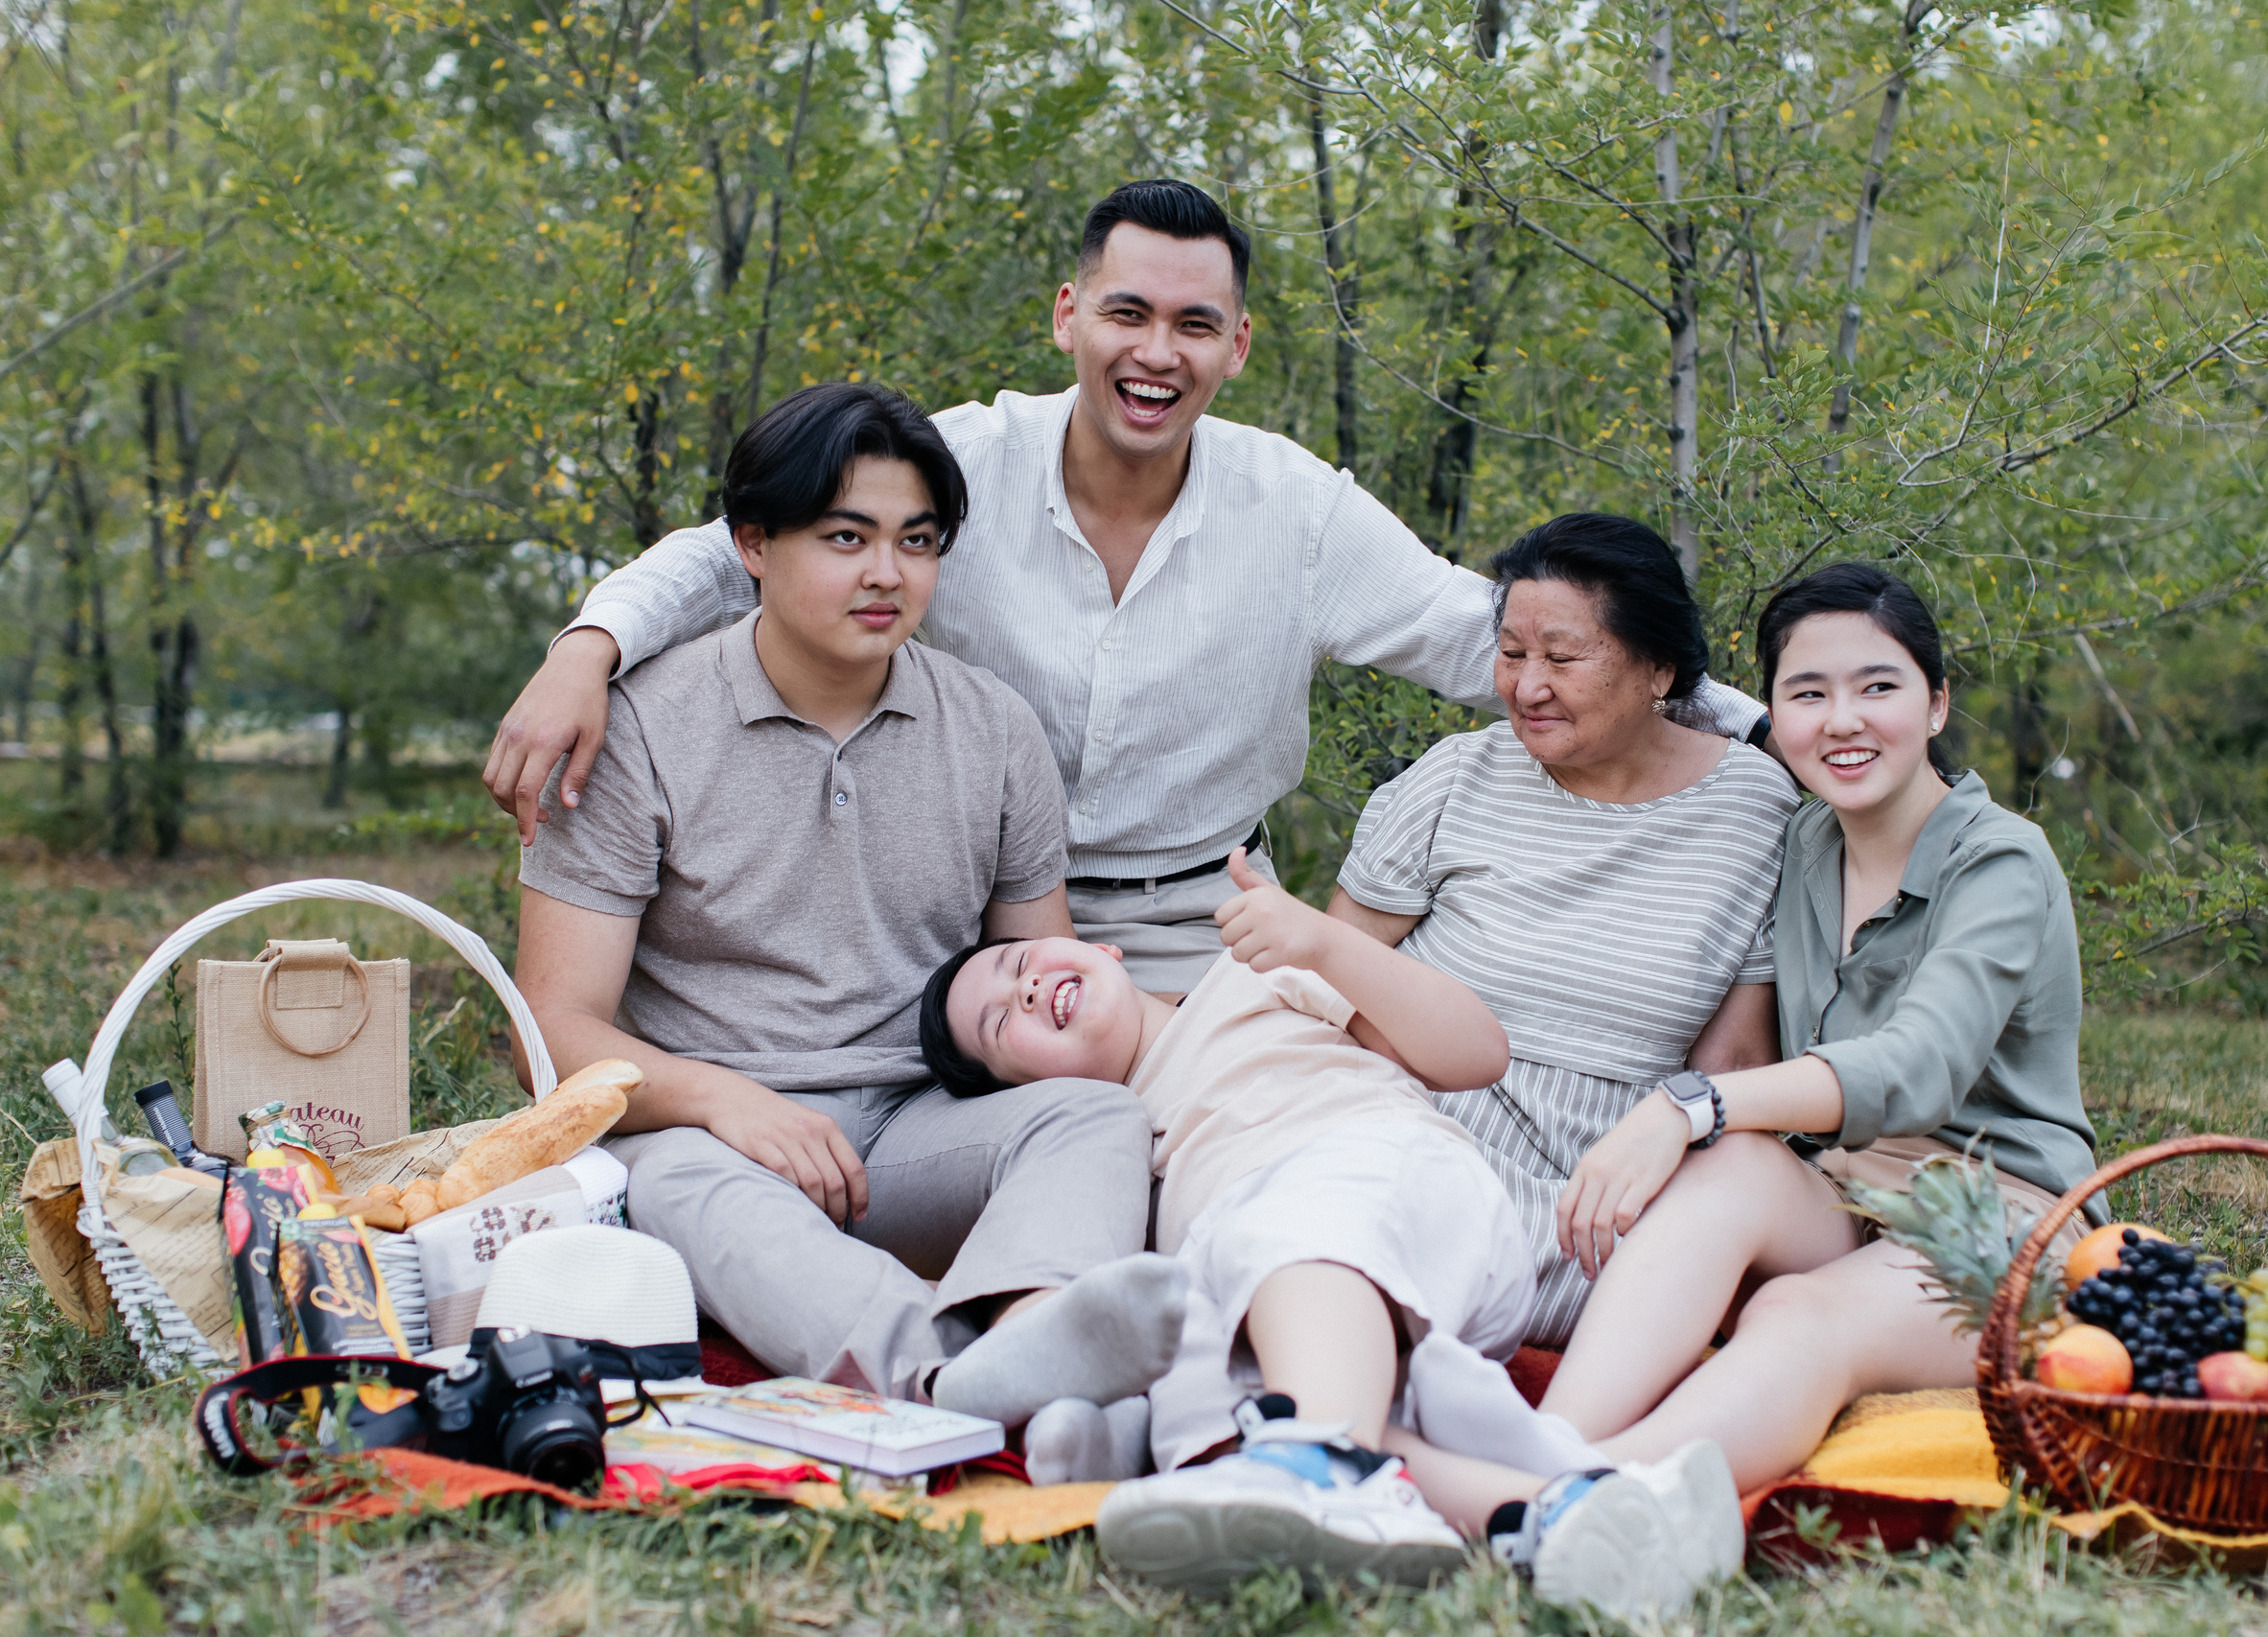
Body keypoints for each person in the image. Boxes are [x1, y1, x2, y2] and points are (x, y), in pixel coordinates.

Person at [482, 179, 1766, 991]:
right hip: (949, 914)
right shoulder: (959, 463)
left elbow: (1488, 637)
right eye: (1128, 312)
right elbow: (733, 550)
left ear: (1239, 346)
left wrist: (1759, 727)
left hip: (1201, 931)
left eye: (1196, 326)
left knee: (1247, 1152)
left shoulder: (1298, 510)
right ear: (1069, 315)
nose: (1157, 353)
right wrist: (585, 645)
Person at [1374, 562, 2099, 1624]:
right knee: (1733, 1169)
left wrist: (1684, 1106)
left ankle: (1565, 1497)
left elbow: (1919, 1067)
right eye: (1807, 693)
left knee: (1793, 1307)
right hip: (1843, 1201)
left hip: (1999, 1228)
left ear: (1936, 702)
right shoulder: (1804, 839)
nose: (1842, 721)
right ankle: (1550, 1448)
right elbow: (1687, 700)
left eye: (1879, 688)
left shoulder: (2001, 862)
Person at [513, 383, 1184, 1432]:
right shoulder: (638, 728)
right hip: (715, 1127)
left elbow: (1045, 976)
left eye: (916, 541)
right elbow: (547, 1033)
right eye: (845, 536)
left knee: (1092, 1113)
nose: (887, 574)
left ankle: (1041, 1342)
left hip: (919, 1123)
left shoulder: (992, 728)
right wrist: (720, 1101)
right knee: (676, 1186)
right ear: (752, 547)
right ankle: (945, 1378)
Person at [916, 853, 1539, 1591]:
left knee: (1284, 1228)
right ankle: (1536, 1507)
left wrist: (1322, 941)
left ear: (1100, 946)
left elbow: (1479, 1052)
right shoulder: (1097, 1152)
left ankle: (1323, 1463)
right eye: (999, 1022)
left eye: (1018, 960)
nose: (1025, 987)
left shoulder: (1251, 974)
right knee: (1199, 1397)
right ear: (1023, 1096)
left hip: (1397, 1187)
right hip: (1316, 1320)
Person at [1328, 514, 1800, 1346]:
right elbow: (1332, 982)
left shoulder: (1756, 813)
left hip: (1595, 1199)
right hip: (1398, 1129)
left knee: (1390, 1273)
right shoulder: (1459, 776)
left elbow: (1734, 1068)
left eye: (1561, 656)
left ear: (1658, 668)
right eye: (1510, 653)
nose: (1526, 685)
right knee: (1333, 1230)